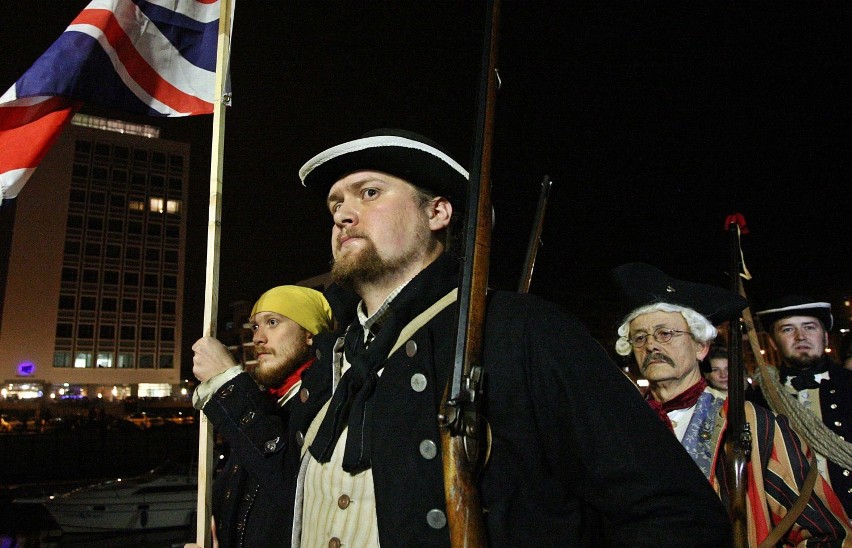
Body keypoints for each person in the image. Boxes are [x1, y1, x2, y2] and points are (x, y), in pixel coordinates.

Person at [279, 128, 732, 546]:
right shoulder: (333, 362)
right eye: (335, 205)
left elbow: (675, 515)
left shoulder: (525, 331)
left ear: (437, 212)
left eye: (369, 193)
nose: (343, 215)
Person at [611, 262, 851, 546]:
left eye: (666, 334)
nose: (651, 346)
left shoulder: (749, 420)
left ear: (701, 347)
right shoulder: (621, 426)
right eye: (640, 338)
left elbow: (824, 533)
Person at [188, 285, 334, 547]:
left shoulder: (328, 401)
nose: (258, 338)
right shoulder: (268, 403)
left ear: (310, 334)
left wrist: (227, 382)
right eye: (255, 327)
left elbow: (294, 491)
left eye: (273, 322)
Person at [756, 295, 852, 519]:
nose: (801, 336)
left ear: (825, 337)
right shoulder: (757, 400)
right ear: (772, 342)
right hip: (798, 528)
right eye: (788, 330)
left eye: (810, 327)